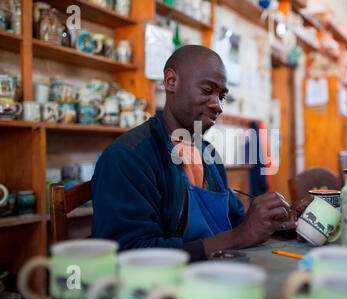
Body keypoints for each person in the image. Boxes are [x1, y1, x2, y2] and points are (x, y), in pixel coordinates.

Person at [91, 45, 307, 261]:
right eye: (207, 91)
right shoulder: (128, 158)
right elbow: (133, 255)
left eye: (222, 96)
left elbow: (238, 221)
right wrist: (240, 236)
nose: (218, 106)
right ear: (171, 81)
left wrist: (282, 222)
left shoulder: (207, 153)